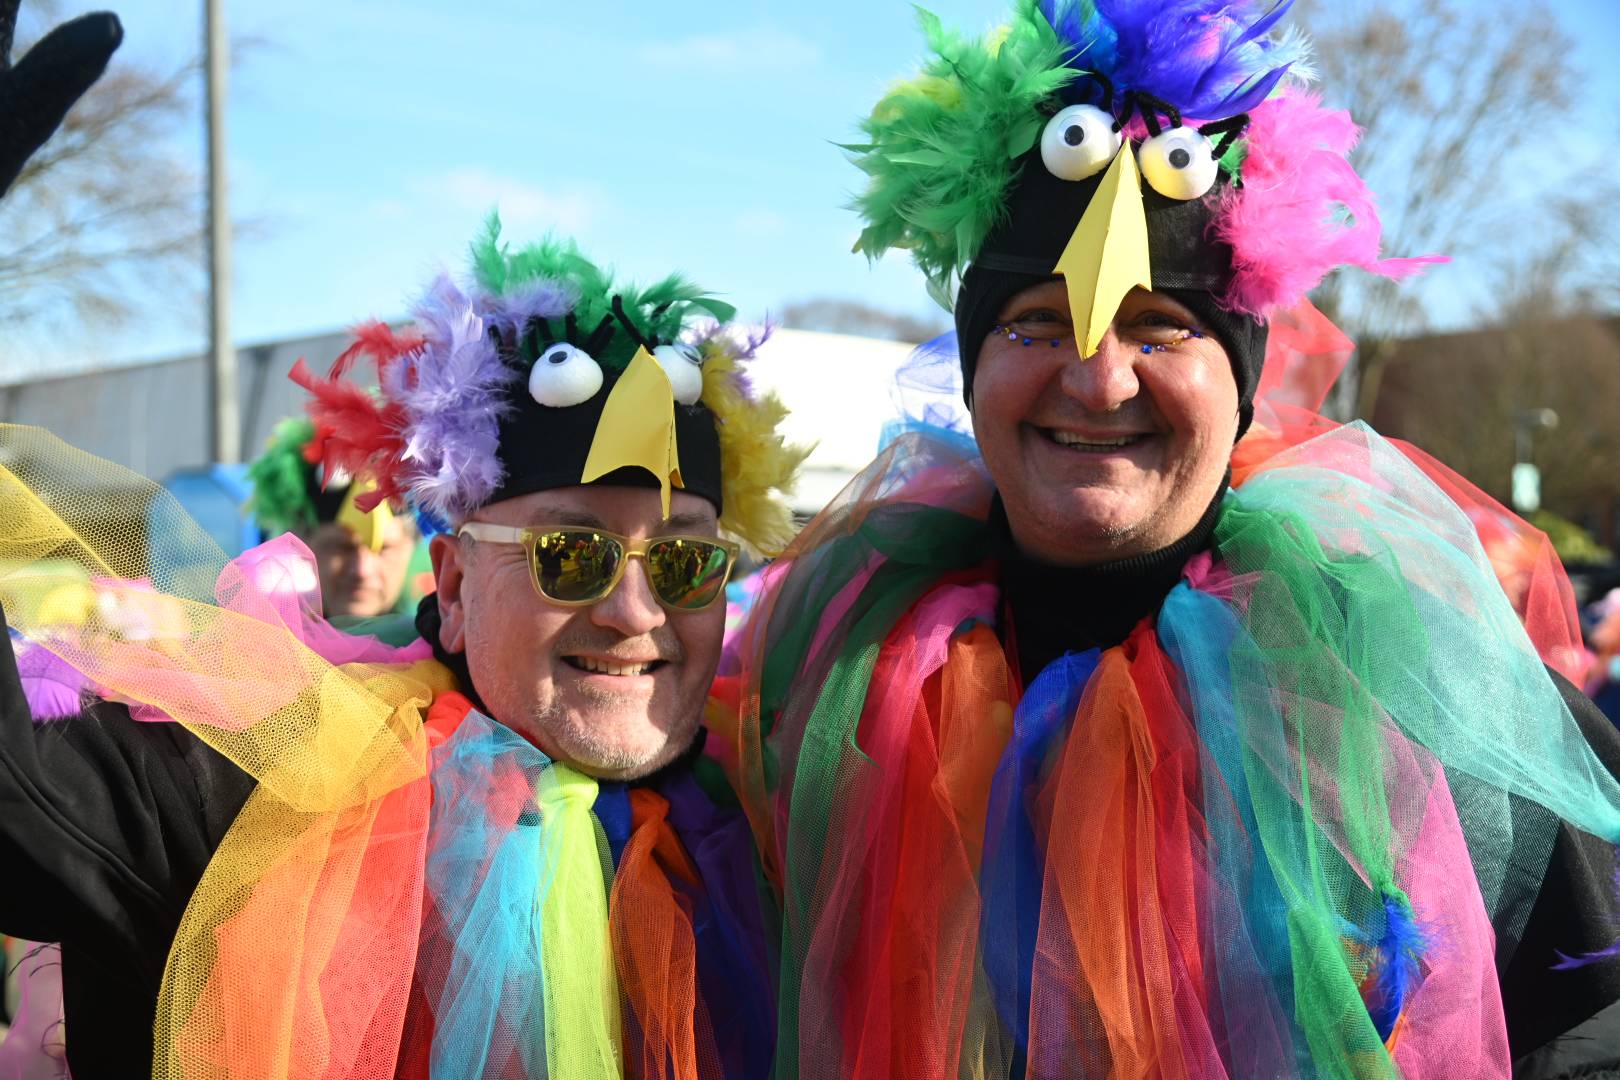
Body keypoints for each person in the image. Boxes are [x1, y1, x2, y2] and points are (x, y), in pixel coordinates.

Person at [714, 2, 1620, 1076]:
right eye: (1037, 323)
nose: (1098, 379)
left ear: (1239, 382)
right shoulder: (834, 658)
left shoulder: (1404, 675)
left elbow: (1589, 1012)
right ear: (972, 372)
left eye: (1161, 327)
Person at [0, 220, 802, 1078]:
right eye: (571, 556)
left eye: (684, 562)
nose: (634, 611)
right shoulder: (281, 782)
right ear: (453, 588)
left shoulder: (778, 809)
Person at [246, 416, 426, 618]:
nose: (362, 570)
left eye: (383, 549)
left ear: (411, 546)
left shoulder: (441, 645)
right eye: (341, 548)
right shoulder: (266, 643)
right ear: (303, 544)